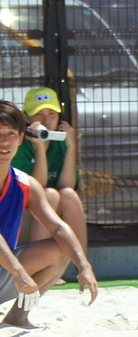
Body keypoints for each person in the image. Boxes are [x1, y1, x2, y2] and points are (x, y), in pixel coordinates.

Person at [0, 100, 97, 327]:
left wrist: (84, 266)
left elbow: (59, 227)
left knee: (62, 249)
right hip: (9, 267)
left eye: (11, 133)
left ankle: (18, 317)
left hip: (4, 268)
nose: (4, 141)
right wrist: (19, 273)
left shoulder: (25, 183)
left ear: (21, 138)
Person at [14, 86, 88, 268]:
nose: (46, 120)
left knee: (69, 195)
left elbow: (67, 184)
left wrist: (71, 147)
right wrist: (40, 147)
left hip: (49, 217)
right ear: (26, 117)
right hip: (19, 222)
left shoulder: (59, 142)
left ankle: (83, 266)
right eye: (39, 114)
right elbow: (37, 187)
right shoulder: (20, 144)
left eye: (52, 114)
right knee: (50, 195)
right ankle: (38, 265)